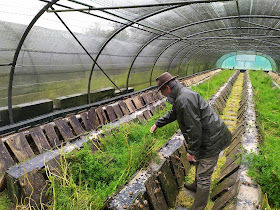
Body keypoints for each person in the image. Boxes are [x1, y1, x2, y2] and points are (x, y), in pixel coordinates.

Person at [150, 72, 232, 210]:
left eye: (161, 91)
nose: (161, 94)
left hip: (211, 139)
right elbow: (174, 113)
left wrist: (192, 151)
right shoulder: (180, 95)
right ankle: (196, 186)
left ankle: (198, 207)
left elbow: (194, 128)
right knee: (200, 163)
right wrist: (158, 123)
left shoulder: (184, 99)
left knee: (204, 175)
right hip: (207, 136)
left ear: (167, 88)